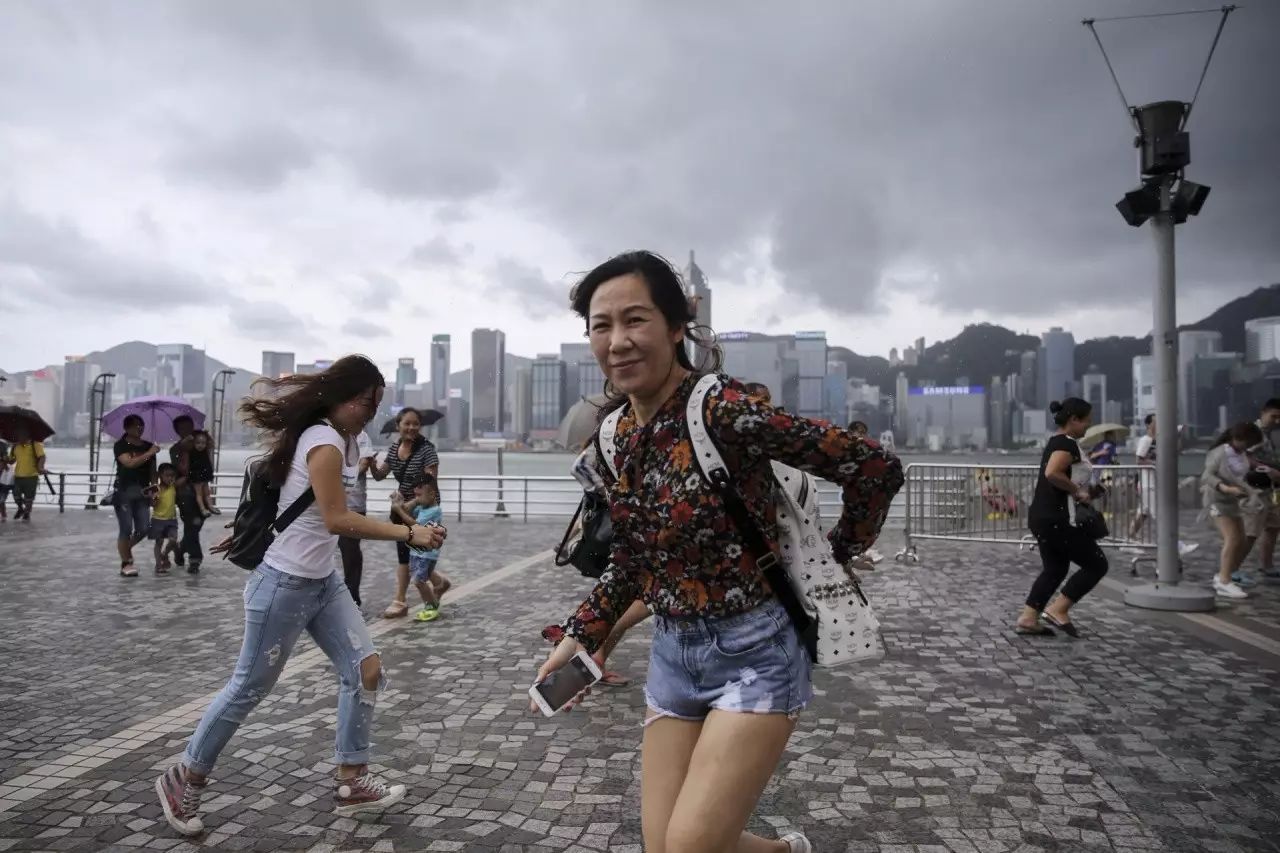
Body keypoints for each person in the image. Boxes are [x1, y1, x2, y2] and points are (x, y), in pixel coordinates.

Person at [532, 251, 903, 853]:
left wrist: (840, 550)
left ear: (677, 326)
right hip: (673, 653)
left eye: (635, 320)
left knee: (688, 847)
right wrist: (581, 636)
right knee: (667, 845)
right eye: (602, 326)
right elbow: (633, 556)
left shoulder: (721, 410)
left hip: (756, 649)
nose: (618, 341)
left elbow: (873, 466)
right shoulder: (615, 436)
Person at [154, 355, 446, 837]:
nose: (371, 412)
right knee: (248, 688)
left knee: (366, 669)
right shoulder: (323, 441)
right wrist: (407, 534)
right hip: (283, 585)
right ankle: (184, 777)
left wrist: (412, 524)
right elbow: (336, 519)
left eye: (376, 404)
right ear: (341, 398)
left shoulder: (349, 440)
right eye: (366, 402)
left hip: (323, 581)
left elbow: (305, 497)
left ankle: (351, 779)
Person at [1016, 398, 1108, 639]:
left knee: (1055, 568)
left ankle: (1028, 618)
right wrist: (1077, 491)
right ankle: (1058, 610)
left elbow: (1060, 477)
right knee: (1097, 564)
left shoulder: (1058, 442)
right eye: (1086, 420)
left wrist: (1087, 492)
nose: (1088, 425)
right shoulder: (1066, 443)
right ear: (1074, 419)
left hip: (1043, 516)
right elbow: (1052, 473)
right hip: (1058, 519)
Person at [369, 407, 451, 618]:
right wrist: (371, 465)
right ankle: (439, 583)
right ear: (398, 426)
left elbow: (429, 487)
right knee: (411, 555)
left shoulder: (427, 449)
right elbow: (380, 475)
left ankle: (400, 601)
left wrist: (406, 506)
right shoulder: (394, 448)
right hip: (403, 507)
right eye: (407, 423)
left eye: (416, 423)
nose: (412, 427)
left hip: (424, 510)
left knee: (409, 555)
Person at [1201, 422, 1265, 599]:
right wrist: (1227, 488)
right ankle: (1224, 580)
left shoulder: (1241, 453)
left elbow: (1239, 474)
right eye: (1248, 442)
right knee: (1233, 538)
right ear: (1238, 438)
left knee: (1241, 540)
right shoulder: (1220, 453)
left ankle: (1225, 575)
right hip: (1217, 499)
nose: (1249, 446)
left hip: (1232, 501)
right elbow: (1207, 476)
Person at [1128, 414, 1198, 559]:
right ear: (1148, 425)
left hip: (1154, 483)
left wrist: (1177, 436)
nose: (1158, 424)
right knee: (1162, 516)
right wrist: (1155, 464)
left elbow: (1176, 452)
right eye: (1155, 422)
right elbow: (1139, 460)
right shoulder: (1145, 440)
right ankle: (1177, 546)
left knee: (1143, 514)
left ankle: (1129, 539)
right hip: (1148, 484)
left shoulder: (1157, 441)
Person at [114, 415, 161, 577]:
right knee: (126, 528)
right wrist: (150, 452)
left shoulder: (148, 446)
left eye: (141, 425)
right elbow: (129, 463)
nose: (139, 428)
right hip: (124, 492)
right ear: (126, 428)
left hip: (143, 493)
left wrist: (155, 490)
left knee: (144, 528)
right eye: (135, 425)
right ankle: (126, 563)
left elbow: (153, 472)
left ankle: (125, 549)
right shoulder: (120, 445)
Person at [393, 477, 446, 622]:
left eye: (419, 495)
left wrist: (399, 510)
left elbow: (415, 525)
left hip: (426, 554)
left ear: (432, 494)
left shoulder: (434, 511)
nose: (416, 498)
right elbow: (406, 511)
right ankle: (442, 585)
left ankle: (431, 606)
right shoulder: (423, 507)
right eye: (415, 495)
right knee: (423, 575)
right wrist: (402, 503)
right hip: (417, 551)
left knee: (418, 581)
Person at [338, 427, 377, 606]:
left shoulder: (362, 436)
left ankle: (352, 595)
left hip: (354, 504)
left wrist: (338, 477)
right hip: (328, 501)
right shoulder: (329, 433)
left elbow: (364, 464)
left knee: (350, 550)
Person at [1245, 398, 1280, 580]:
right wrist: (1266, 469)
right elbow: (1244, 456)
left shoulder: (1272, 433)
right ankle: (1232, 569)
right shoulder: (1253, 432)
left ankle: (1267, 564)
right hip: (1256, 487)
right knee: (1251, 531)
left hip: (1272, 488)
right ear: (1263, 413)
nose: (1277, 420)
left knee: (1273, 526)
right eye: (1273, 416)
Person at [169, 416, 205, 574]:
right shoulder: (175, 449)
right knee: (192, 524)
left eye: (189, 427)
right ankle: (195, 559)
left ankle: (181, 548)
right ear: (177, 431)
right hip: (184, 493)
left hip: (201, 491)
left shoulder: (201, 445)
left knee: (196, 525)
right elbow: (180, 469)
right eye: (182, 428)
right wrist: (184, 449)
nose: (187, 430)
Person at [6, 426, 45, 522]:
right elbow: (12, 460)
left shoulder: (35, 445)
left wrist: (40, 467)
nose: (19, 437)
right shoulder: (15, 446)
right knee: (16, 495)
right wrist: (5, 459)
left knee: (29, 498)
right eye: (18, 435)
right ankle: (21, 509)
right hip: (18, 476)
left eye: (20, 435)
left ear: (27, 435)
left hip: (31, 476)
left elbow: (42, 457)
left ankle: (27, 513)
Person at [150, 463, 181, 574]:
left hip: (171, 519)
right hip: (157, 519)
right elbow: (153, 504)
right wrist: (154, 498)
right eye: (167, 475)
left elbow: (184, 479)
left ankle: (164, 554)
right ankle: (158, 565)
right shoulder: (156, 489)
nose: (170, 478)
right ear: (160, 476)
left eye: (172, 475)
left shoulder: (173, 486)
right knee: (159, 542)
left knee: (173, 540)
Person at [187, 430, 218, 516]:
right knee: (199, 493)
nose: (200, 445)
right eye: (198, 443)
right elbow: (185, 445)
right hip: (196, 474)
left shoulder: (206, 450)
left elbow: (212, 444)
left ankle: (211, 506)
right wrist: (189, 438)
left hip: (205, 473)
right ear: (194, 443)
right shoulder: (191, 451)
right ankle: (202, 509)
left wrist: (207, 435)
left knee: (207, 492)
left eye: (203, 443)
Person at [0, 440, 12, 521]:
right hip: (3, 475)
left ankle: (3, 514)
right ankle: (3, 514)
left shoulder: (3, 445)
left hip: (3, 478)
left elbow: (6, 460)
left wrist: (4, 461)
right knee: (2, 499)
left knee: (2, 499)